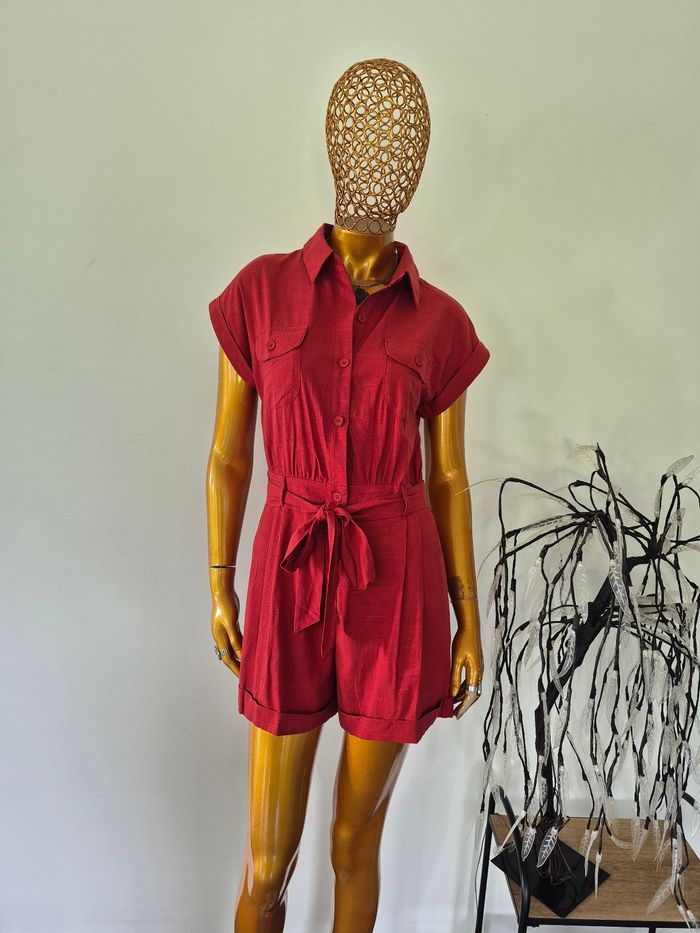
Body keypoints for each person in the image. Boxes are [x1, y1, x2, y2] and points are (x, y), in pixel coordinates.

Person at [206, 58, 491, 931]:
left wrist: (467, 616)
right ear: (333, 145)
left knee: (353, 842)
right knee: (267, 863)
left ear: (420, 165)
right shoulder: (261, 293)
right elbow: (227, 456)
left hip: (393, 582)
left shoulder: (440, 322)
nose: (381, 159)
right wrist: (219, 580)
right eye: (364, 136)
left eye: (401, 144)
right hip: (289, 569)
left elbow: (447, 476)